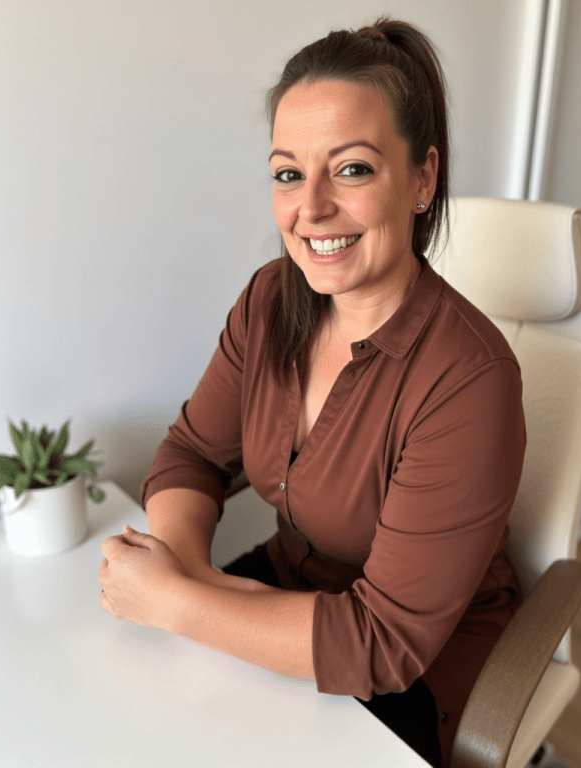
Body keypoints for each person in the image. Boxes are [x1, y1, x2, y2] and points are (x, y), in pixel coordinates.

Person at [98, 17, 526, 768]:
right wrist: (190, 578)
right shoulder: (270, 300)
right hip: (290, 595)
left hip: (413, 667)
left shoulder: (470, 380)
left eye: (352, 169)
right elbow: (192, 455)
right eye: (288, 174)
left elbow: (383, 645)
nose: (312, 208)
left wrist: (179, 601)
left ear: (422, 179)